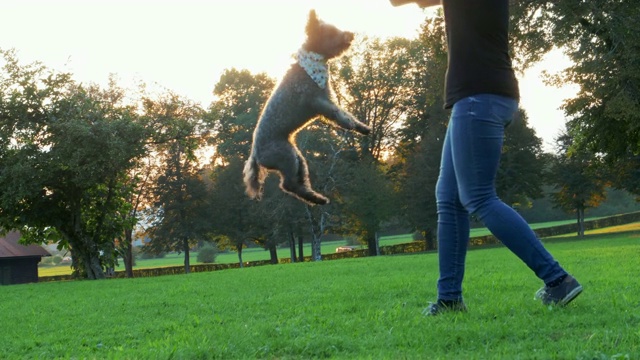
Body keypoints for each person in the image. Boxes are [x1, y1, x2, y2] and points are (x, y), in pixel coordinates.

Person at [390, 0, 583, 315]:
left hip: (478, 96)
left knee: (478, 196)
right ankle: (449, 298)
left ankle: (557, 278)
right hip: (481, 96)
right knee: (450, 198)